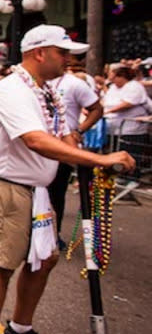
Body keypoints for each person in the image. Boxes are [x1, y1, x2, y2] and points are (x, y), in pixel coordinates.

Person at [0, 25, 135, 334]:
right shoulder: (11, 90)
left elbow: (59, 134)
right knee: (3, 264)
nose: (68, 60)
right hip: (8, 187)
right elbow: (35, 139)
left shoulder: (45, 91)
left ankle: (20, 330)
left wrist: (79, 148)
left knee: (44, 259)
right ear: (40, 53)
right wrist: (99, 158)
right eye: (62, 53)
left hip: (37, 191)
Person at [47, 59, 103, 247]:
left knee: (56, 191)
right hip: (37, 146)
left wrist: (79, 130)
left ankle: (54, 234)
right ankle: (33, 235)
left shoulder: (75, 84)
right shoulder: (36, 82)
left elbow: (97, 109)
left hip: (63, 146)